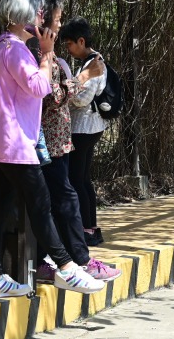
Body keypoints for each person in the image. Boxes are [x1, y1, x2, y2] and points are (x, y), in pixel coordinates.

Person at [0, 0, 106, 298]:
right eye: (37, 14)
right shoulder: (18, 49)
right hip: (14, 143)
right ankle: (66, 269)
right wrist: (47, 54)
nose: (42, 19)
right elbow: (40, 87)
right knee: (41, 204)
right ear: (24, 18)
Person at [34, 0, 120, 283]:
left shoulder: (72, 60)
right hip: (50, 140)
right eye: (56, 21)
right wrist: (80, 80)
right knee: (66, 194)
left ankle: (74, 250)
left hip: (68, 135)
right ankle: (74, 259)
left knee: (71, 189)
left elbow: (68, 98)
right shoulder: (41, 57)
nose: (59, 30)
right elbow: (53, 97)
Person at [62, 16, 108, 247]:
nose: (68, 49)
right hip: (90, 127)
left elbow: (82, 99)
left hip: (84, 128)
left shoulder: (93, 64)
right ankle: (91, 228)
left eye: (69, 44)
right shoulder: (90, 62)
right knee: (83, 180)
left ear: (81, 41)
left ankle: (85, 229)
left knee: (76, 180)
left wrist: (63, 96)